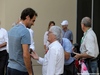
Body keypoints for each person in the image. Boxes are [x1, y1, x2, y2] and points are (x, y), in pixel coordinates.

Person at [7, 8, 38, 75]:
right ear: (27, 17)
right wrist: (30, 72)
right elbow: (26, 55)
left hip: (10, 67)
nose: (33, 23)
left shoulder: (11, 30)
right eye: (33, 21)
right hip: (20, 70)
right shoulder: (25, 32)